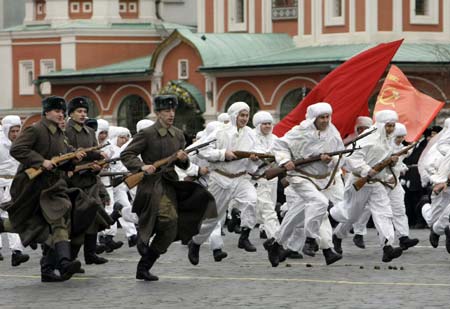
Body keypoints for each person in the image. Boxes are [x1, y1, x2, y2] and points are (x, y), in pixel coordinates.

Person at [121, 95, 216, 281]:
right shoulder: (147, 133)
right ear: (157, 113)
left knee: (171, 229)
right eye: (166, 111)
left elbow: (183, 166)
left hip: (170, 183)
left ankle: (144, 265)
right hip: (152, 183)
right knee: (169, 217)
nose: (171, 114)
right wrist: (141, 167)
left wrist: (183, 159)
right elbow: (127, 154)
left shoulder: (179, 135)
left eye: (173, 110)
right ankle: (143, 232)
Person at [3, 96, 87, 281]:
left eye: (62, 112)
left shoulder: (59, 133)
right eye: (57, 111)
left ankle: (60, 264)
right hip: (32, 187)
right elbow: (17, 149)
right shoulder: (35, 130)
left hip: (52, 187)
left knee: (58, 220)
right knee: (32, 224)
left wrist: (73, 159)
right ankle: (57, 265)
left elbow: (62, 159)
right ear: (47, 112)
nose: (60, 115)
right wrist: (41, 161)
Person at [266, 102, 343, 267]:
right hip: (301, 177)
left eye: (327, 117)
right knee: (320, 203)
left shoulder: (333, 133)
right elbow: (279, 145)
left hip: (320, 180)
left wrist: (330, 160)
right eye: (321, 117)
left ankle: (276, 244)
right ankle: (311, 239)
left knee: (294, 216)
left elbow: (339, 155)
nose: (325, 120)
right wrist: (286, 161)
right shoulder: (299, 131)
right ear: (314, 118)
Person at [187, 102, 260, 265]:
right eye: (241, 115)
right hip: (220, 179)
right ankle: (196, 243)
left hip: (241, 178)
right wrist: (222, 154)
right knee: (212, 219)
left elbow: (254, 161)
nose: (244, 118)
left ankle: (245, 235)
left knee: (252, 200)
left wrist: (254, 160)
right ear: (234, 115)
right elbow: (202, 150)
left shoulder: (251, 134)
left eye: (246, 115)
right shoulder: (219, 132)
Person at [330, 110, 404, 263]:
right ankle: (337, 236)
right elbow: (352, 159)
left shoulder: (388, 141)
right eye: (388, 126)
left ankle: (387, 247)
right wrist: (366, 171)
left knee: (384, 213)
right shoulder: (368, 139)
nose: (390, 129)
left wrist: (392, 166)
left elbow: (383, 163)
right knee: (351, 215)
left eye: (392, 126)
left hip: (376, 183)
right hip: (359, 182)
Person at [65, 96, 109, 266]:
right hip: (74, 182)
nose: (83, 115)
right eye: (79, 111)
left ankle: (90, 254)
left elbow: (95, 153)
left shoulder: (90, 131)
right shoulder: (66, 131)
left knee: (93, 217)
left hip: (91, 181)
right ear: (71, 114)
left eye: (84, 112)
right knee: (79, 220)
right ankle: (69, 258)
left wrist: (99, 164)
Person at [0, 115, 30, 267]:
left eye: (18, 130)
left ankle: (16, 251)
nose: (16, 134)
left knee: (11, 214)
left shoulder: (21, 144)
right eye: (13, 131)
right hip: (1, 182)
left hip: (14, 184)